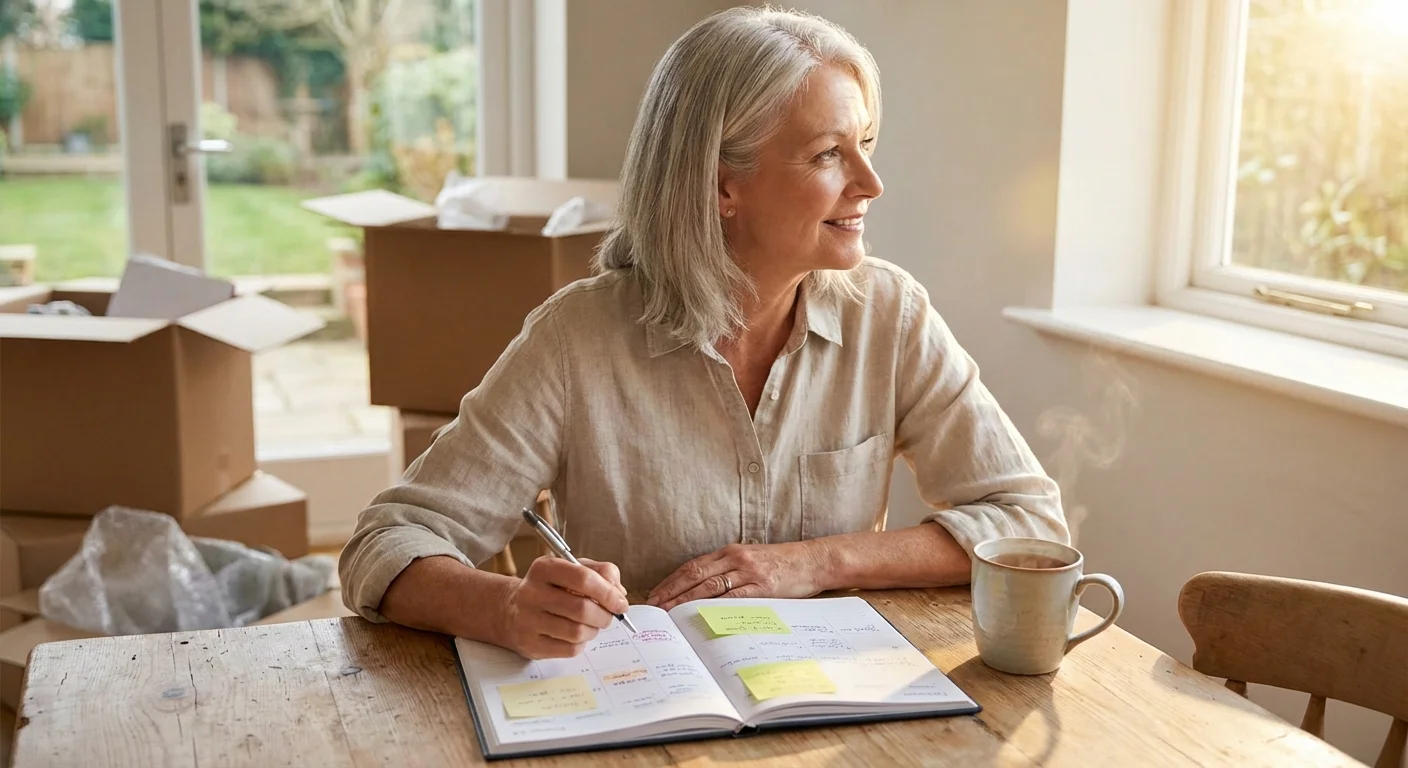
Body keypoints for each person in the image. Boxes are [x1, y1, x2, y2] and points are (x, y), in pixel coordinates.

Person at [339, 6, 1067, 660]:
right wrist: (508, 608)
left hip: (834, 713)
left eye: (866, 143)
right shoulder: (577, 337)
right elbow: (385, 543)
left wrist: (814, 562)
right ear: (722, 185)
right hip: (643, 715)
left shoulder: (892, 316)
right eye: (828, 154)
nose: (871, 182)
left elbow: (1029, 524)